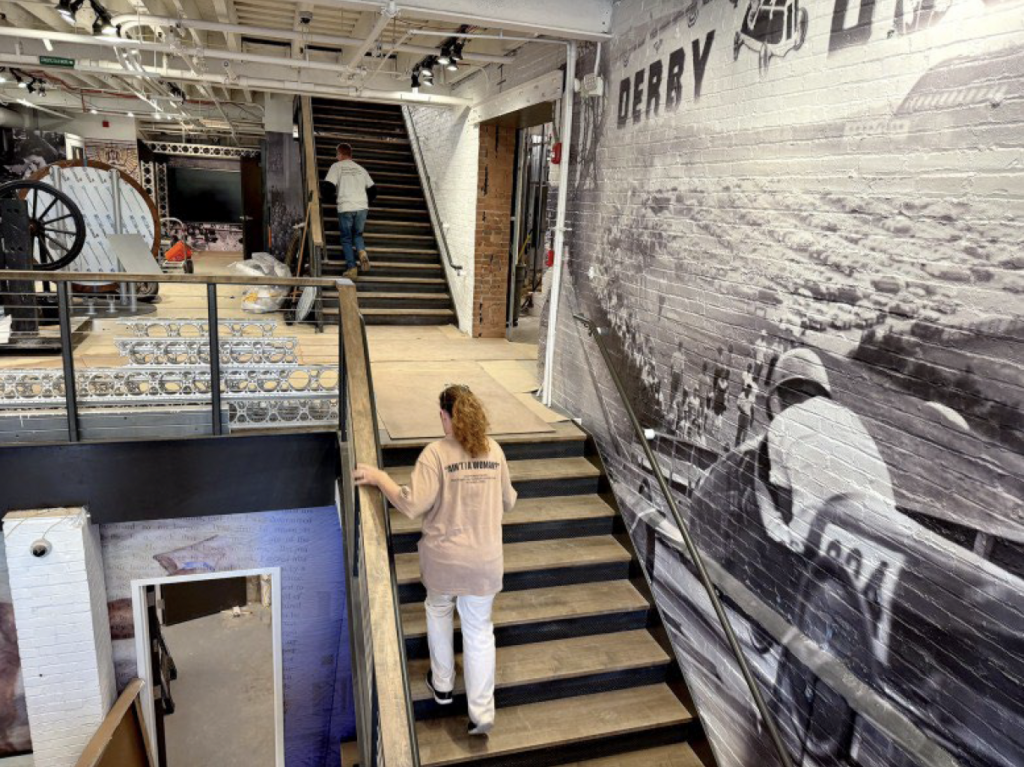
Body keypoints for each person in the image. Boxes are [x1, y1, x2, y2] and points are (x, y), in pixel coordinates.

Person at [353, 385, 516, 737]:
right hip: (485, 561)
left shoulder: (435, 454)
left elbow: (411, 505)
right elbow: (509, 502)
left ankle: (442, 685)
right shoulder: (495, 451)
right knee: (479, 631)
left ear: (446, 416)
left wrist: (381, 478)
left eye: (441, 415)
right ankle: (481, 713)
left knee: (439, 609)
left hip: (445, 561)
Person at [759, 347, 897, 553]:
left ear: (782, 393)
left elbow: (788, 518)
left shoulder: (783, 423)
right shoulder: (852, 420)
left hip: (818, 552)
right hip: (883, 546)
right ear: (822, 390)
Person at [323, 143, 377, 280]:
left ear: (340, 154)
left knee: (346, 239)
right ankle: (362, 252)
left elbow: (328, 187)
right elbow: (373, 190)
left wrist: (328, 198)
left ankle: (352, 268)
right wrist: (365, 203)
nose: (336, 157)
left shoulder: (336, 167)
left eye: (337, 154)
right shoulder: (360, 169)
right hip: (362, 207)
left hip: (346, 207)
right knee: (358, 235)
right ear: (350, 155)